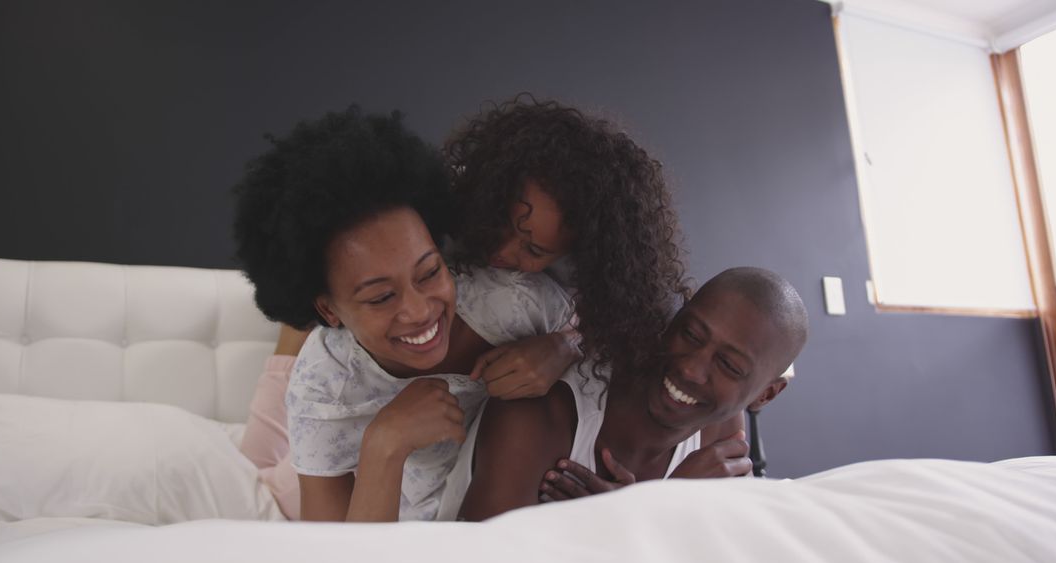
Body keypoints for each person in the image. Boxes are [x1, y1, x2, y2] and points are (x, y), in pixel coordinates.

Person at [232, 108, 573, 522]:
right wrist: (384, 446)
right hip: (352, 488)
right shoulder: (321, 387)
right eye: (381, 297)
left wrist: (564, 346)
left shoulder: (508, 302)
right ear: (328, 307)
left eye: (430, 272)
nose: (419, 311)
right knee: (260, 474)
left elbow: (623, 331)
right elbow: (335, 555)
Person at [439, 267, 809, 521]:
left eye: (729, 366)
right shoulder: (542, 410)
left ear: (765, 394)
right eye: (691, 335)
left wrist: (633, 515)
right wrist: (654, 516)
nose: (691, 369)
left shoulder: (721, 435)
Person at [444, 95, 690, 396]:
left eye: (534, 250)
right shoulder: (433, 204)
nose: (502, 251)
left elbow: (629, 332)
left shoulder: (567, 296)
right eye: (501, 222)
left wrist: (565, 345)